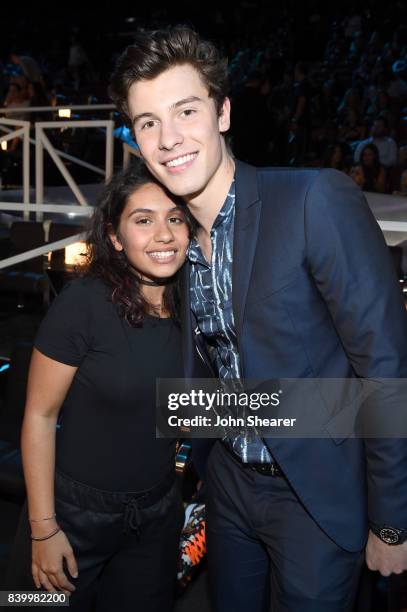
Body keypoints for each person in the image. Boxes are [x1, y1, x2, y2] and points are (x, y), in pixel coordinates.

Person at [109, 26, 407, 612]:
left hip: (315, 500)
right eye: (148, 123)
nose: (169, 139)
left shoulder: (313, 198)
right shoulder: (177, 246)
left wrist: (393, 521)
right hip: (226, 487)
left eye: (185, 111)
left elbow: (387, 367)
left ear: (222, 112)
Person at [5, 164, 192, 611]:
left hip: (156, 515)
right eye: (143, 220)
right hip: (70, 516)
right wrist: (44, 529)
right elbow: (39, 416)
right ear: (114, 236)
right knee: (22, 605)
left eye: (175, 218)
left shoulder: (198, 304)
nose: (163, 234)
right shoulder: (84, 304)